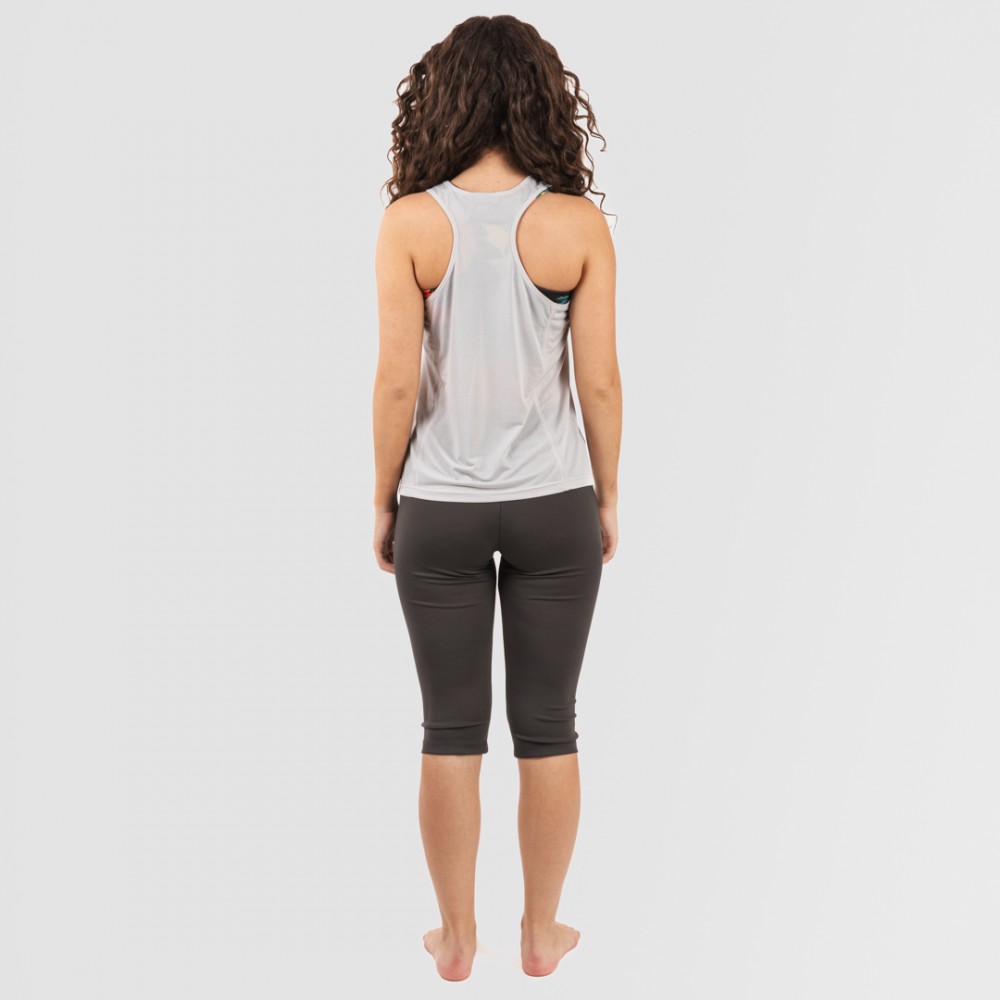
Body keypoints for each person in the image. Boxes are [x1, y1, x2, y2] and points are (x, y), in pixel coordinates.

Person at [370, 15, 622, 982]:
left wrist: (384, 500)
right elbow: (600, 385)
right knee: (549, 724)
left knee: (450, 725)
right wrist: (607, 496)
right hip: (555, 502)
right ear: (543, 100)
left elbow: (397, 385)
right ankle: (541, 933)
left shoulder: (410, 224)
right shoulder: (576, 224)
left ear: (442, 100)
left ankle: (456, 937)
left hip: (440, 508)